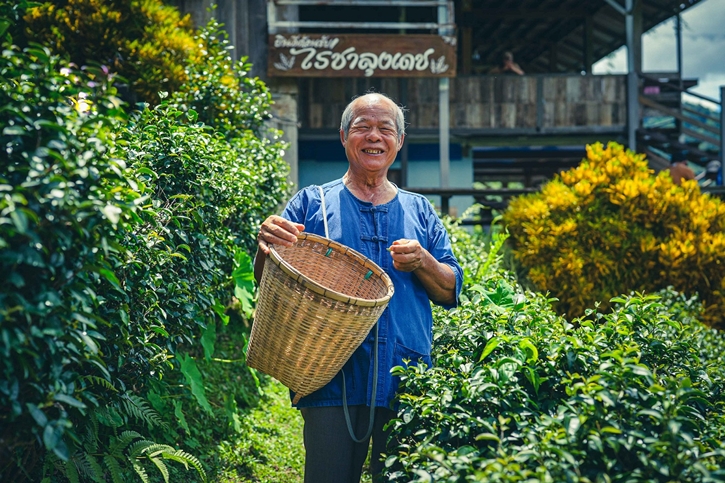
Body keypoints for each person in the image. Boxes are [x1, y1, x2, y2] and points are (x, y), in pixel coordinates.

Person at [254, 92, 463, 483]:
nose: (374, 136)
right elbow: (269, 278)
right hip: (329, 377)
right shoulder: (310, 203)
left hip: (407, 378)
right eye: (362, 127)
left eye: (386, 128)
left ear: (398, 142)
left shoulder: (420, 211)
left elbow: (450, 290)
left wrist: (425, 262)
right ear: (343, 136)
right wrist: (265, 242)